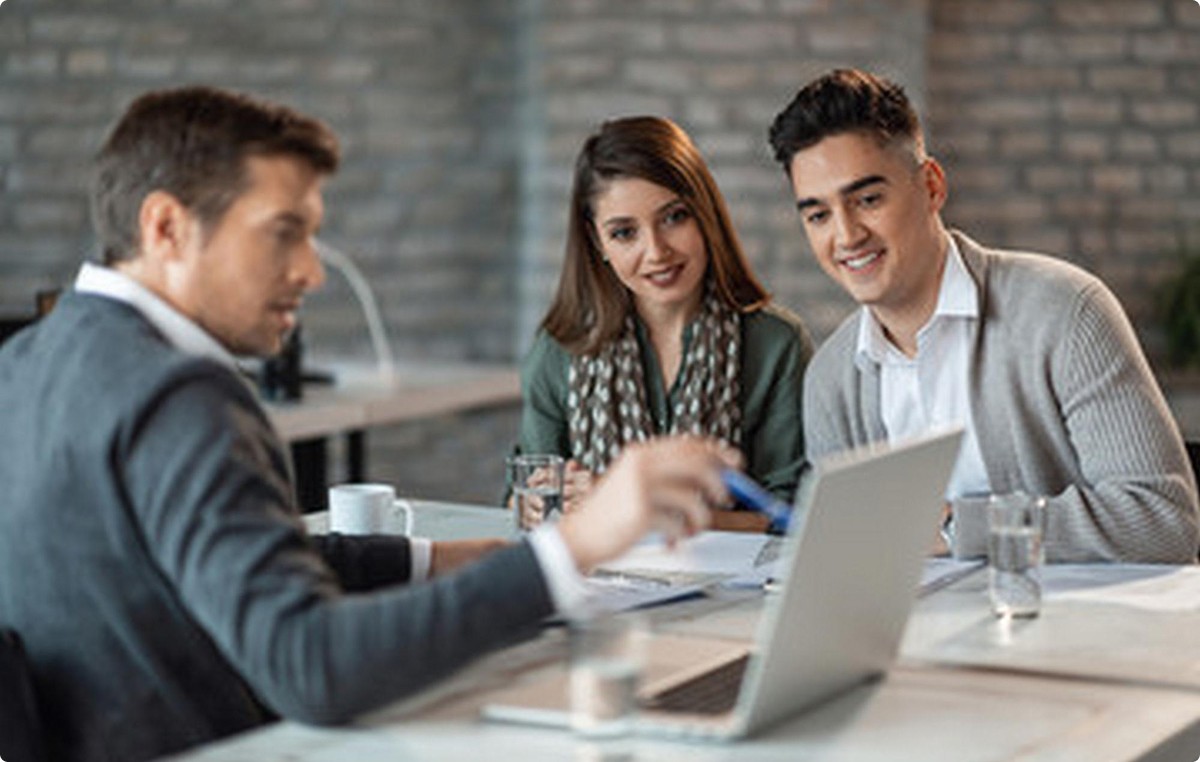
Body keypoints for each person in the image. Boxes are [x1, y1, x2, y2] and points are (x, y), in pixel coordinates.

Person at [0, 86, 740, 762]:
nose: (312, 272)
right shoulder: (179, 393)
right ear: (166, 227)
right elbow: (313, 667)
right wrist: (568, 550)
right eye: (285, 233)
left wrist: (440, 558)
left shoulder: (31, 360)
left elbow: (244, 560)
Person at [767, 68, 1200, 563]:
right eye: (818, 215)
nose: (845, 236)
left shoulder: (1065, 312)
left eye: (867, 200)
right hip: (915, 637)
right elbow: (853, 556)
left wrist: (956, 528)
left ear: (931, 187)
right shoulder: (831, 380)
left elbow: (1164, 520)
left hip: (1078, 632)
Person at [518, 116, 812, 529]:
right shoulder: (559, 349)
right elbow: (524, 496)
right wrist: (533, 503)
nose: (656, 251)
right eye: (624, 233)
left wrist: (641, 508)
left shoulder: (775, 344)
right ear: (596, 241)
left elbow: (792, 517)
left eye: (674, 217)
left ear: (704, 214)